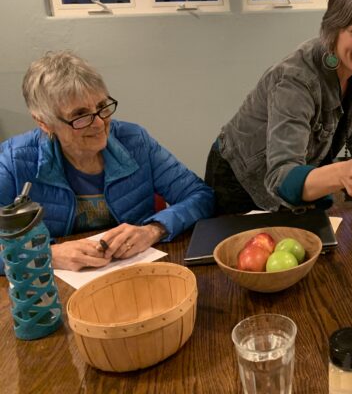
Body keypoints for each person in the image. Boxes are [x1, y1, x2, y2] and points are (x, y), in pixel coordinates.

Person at [205, 0, 352, 218]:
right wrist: (341, 174)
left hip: (290, 181)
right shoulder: (296, 79)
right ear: (334, 28)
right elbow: (281, 176)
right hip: (239, 180)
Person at [0, 51, 214, 271]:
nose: (100, 123)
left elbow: (200, 196)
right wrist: (47, 255)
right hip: (57, 286)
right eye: (81, 115)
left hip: (139, 270)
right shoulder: (13, 161)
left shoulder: (135, 141)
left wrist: (153, 229)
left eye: (102, 106)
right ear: (44, 123)